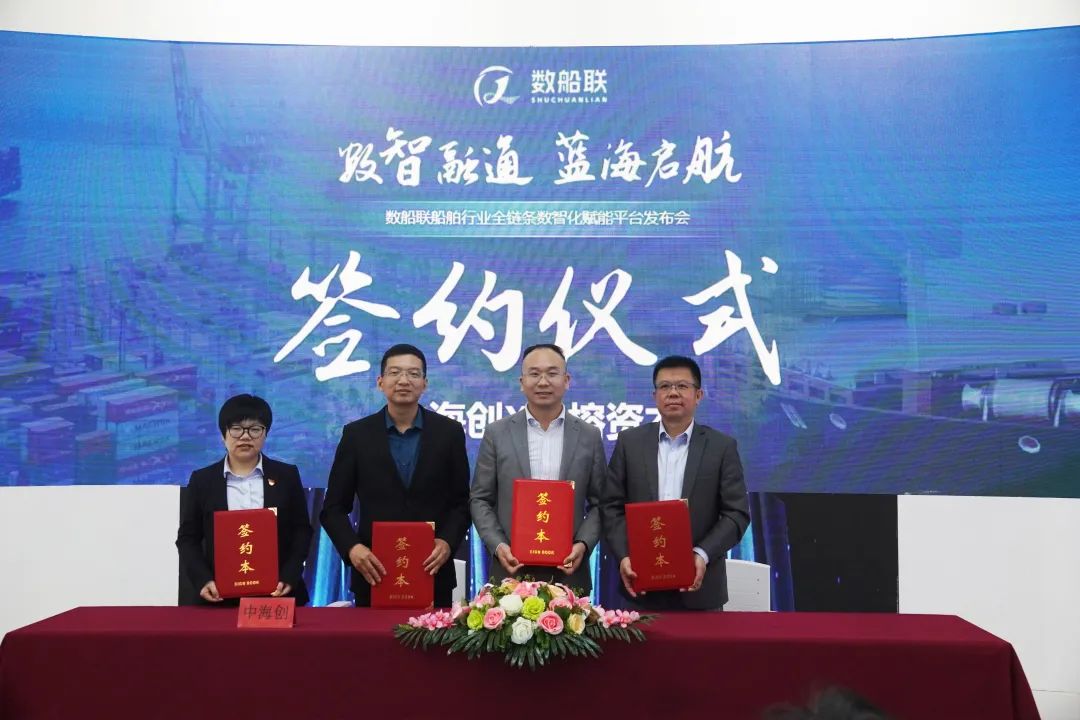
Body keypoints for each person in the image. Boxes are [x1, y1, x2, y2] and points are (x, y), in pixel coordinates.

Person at [320, 344, 470, 607]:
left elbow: (462, 503)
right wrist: (353, 549)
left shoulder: (449, 433)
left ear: (425, 383)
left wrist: (447, 541)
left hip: (432, 572)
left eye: (413, 374)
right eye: (395, 372)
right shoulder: (356, 435)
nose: (403, 380)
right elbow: (333, 508)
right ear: (380, 382)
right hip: (374, 572)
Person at [602, 355, 749, 610]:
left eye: (682, 386)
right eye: (664, 386)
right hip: (639, 586)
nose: (673, 393)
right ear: (654, 395)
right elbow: (611, 507)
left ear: (698, 395)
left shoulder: (721, 447)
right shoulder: (630, 443)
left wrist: (701, 554)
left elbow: (736, 513)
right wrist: (625, 555)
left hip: (702, 591)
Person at [470, 343, 606, 593]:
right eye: (534, 374)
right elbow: (480, 499)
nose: (543, 382)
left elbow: (601, 502)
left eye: (552, 373)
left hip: (569, 575)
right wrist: (499, 546)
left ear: (567, 380)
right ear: (522, 382)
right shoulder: (497, 433)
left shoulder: (589, 435)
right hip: (511, 574)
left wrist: (583, 544)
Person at [176, 394, 313, 605]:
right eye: (236, 429)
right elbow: (188, 538)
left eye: (255, 429)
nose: (245, 436)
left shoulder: (287, 476)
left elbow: (302, 531)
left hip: (278, 594)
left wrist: (289, 575)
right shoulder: (202, 480)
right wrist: (203, 580)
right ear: (223, 435)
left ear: (265, 434)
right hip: (219, 596)